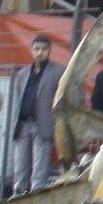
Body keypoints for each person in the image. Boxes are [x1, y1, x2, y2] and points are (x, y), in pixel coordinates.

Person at [6, 36, 63, 194]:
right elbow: (17, 99)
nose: (40, 52)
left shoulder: (58, 72)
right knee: (20, 167)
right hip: (23, 124)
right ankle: (18, 196)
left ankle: (36, 197)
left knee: (40, 170)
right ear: (31, 51)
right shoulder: (23, 73)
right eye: (37, 49)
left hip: (43, 125)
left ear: (49, 51)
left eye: (44, 49)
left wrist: (56, 122)